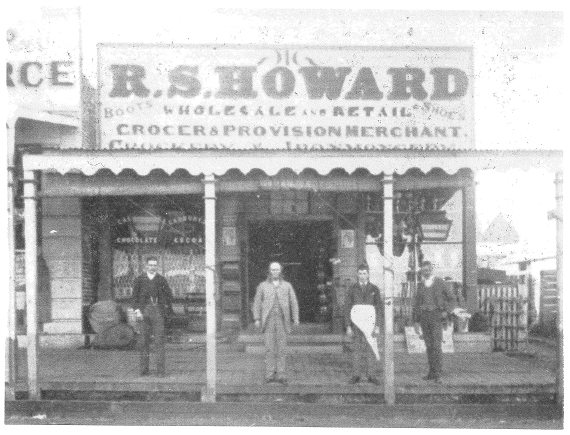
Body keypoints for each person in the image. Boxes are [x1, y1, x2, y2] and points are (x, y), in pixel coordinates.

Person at [413, 260, 468, 383]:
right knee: (428, 345)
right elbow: (416, 304)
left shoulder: (440, 282)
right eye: (423, 271)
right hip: (424, 317)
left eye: (428, 270)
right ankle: (431, 372)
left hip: (436, 316)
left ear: (431, 270)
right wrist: (416, 321)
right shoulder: (420, 285)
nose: (426, 273)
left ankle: (438, 374)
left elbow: (452, 299)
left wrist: (447, 311)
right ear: (421, 272)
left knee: (436, 345)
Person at [252, 262, 300, 385]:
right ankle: (269, 374)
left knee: (281, 348)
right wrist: (257, 318)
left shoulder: (287, 286)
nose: (275, 272)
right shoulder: (262, 286)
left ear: (280, 271)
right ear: (269, 271)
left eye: (277, 269)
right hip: (268, 321)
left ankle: (281, 374)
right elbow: (257, 302)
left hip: (282, 320)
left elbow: (293, 302)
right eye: (273, 270)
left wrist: (295, 318)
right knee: (269, 348)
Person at [132, 256, 173, 377]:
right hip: (143, 312)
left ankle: (160, 371)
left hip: (158, 312)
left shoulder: (161, 279)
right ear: (146, 266)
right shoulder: (139, 279)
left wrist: (163, 307)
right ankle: (144, 370)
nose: (152, 267)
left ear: (157, 266)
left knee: (159, 342)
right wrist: (137, 311)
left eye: (154, 265)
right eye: (150, 265)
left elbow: (169, 295)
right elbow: (134, 298)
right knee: (143, 341)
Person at [345, 263, 383, 385]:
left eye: (364, 273)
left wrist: (377, 325)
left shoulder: (374, 289)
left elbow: (379, 308)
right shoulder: (352, 289)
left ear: (368, 274)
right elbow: (347, 307)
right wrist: (348, 326)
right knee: (356, 348)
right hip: (356, 323)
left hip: (370, 323)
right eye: (360, 273)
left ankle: (371, 375)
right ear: (357, 274)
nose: (362, 276)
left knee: (370, 347)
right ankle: (356, 375)